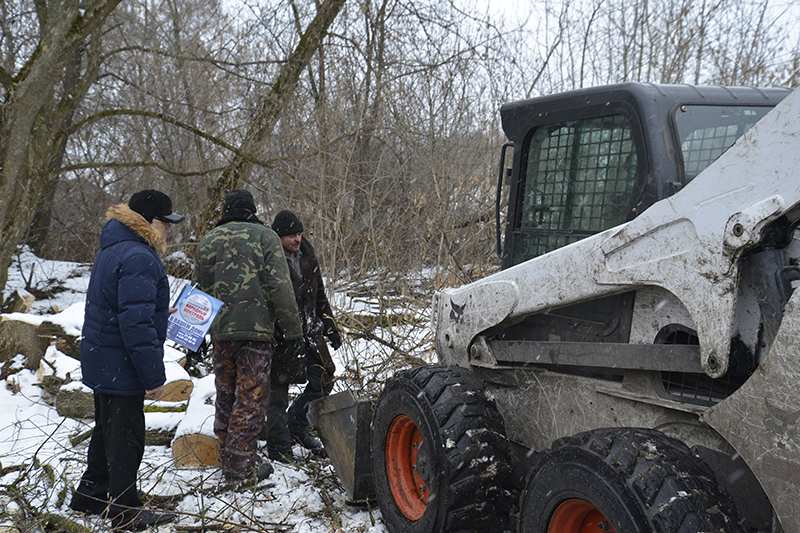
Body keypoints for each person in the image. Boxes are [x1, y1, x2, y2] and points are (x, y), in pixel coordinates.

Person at [70, 190, 183, 531]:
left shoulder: (115, 247)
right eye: (165, 223)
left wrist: (158, 309)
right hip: (121, 362)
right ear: (149, 222)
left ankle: (92, 493)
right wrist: (153, 378)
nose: (168, 230)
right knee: (127, 438)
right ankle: (125, 511)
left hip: (103, 356)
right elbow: (134, 324)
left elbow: (120, 306)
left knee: (107, 429)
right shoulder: (139, 257)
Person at [193, 189, 303, 482]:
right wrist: (293, 332)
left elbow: (199, 293)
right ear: (253, 211)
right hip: (256, 333)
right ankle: (239, 468)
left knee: (225, 394)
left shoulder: (207, 241)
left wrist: (195, 336)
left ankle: (228, 458)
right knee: (251, 398)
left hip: (220, 333)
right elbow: (281, 288)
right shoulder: (265, 237)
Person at [265, 210, 342, 462]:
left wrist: (331, 327)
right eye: (290, 236)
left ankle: (296, 424)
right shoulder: (269, 260)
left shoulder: (308, 257)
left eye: (299, 234)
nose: (297, 240)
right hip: (281, 335)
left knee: (324, 378)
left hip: (311, 332)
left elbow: (319, 297)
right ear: (278, 236)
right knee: (278, 389)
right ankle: (279, 445)